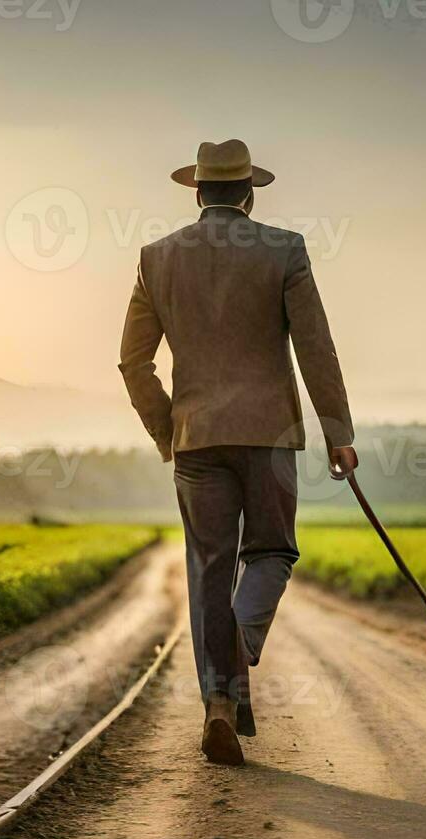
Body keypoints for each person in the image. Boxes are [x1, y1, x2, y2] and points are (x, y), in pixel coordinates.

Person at [119, 139, 358, 766]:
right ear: (249, 193)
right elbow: (316, 350)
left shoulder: (156, 257)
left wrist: (167, 428)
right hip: (271, 438)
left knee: (207, 572)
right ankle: (242, 643)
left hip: (196, 438)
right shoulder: (285, 250)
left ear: (198, 193)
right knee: (274, 550)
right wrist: (339, 433)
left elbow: (132, 362)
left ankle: (219, 705)